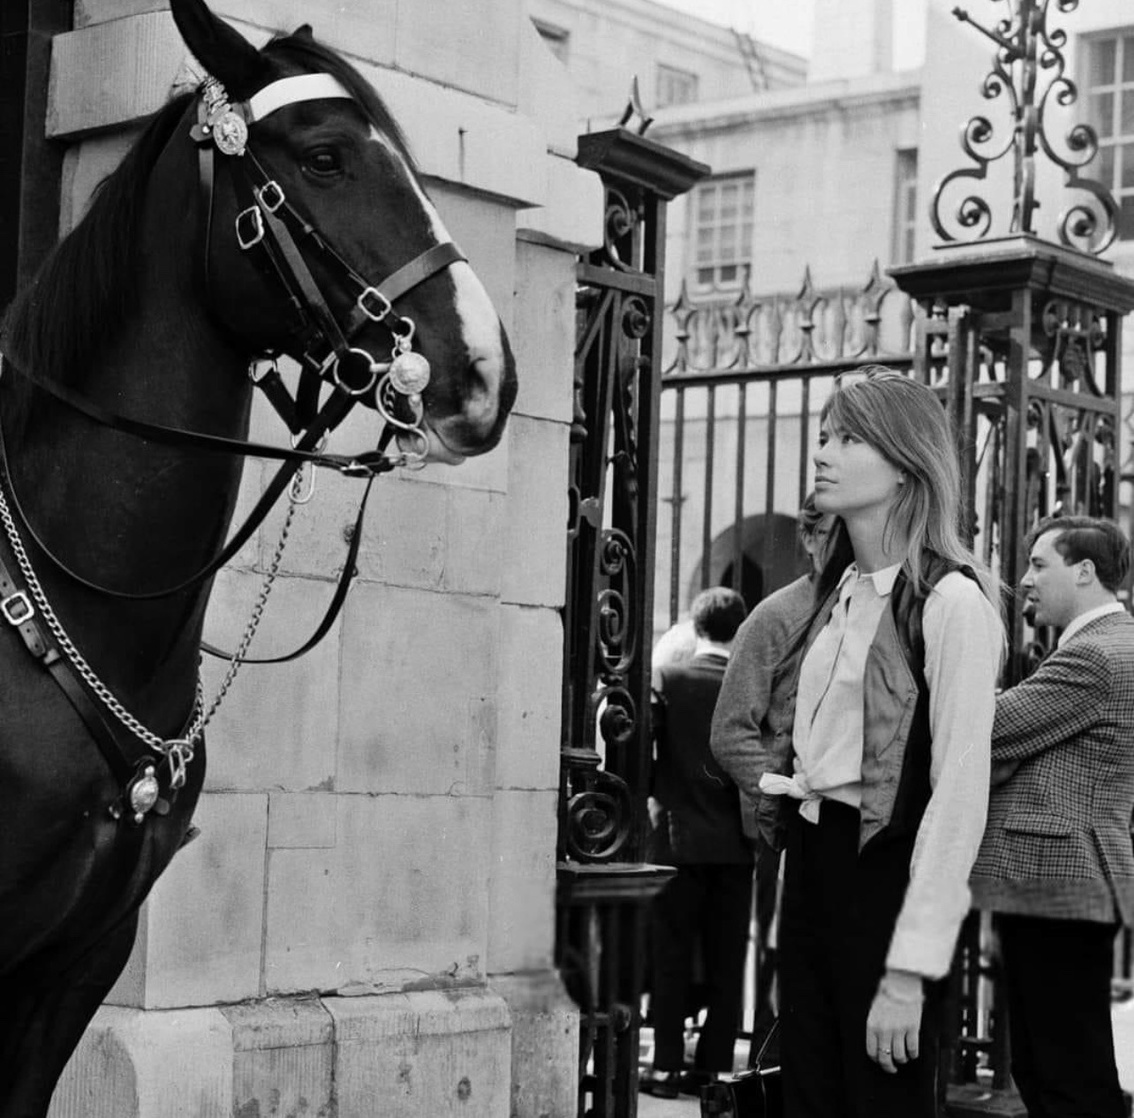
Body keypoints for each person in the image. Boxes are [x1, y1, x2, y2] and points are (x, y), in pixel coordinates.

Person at [750, 367, 1004, 1117]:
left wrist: (909, 972)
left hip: (887, 877)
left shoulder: (953, 603)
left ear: (904, 463)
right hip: (814, 865)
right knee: (808, 1095)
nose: (823, 452)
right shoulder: (836, 597)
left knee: (879, 1101)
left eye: (849, 438)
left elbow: (959, 795)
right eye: (825, 435)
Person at [971, 515, 1134, 1118]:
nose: (1025, 580)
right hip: (1066, 880)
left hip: (1058, 880)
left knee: (1064, 1072)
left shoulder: (1094, 655)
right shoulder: (1109, 646)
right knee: (1052, 1065)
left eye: (1040, 564)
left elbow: (982, 731)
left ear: (1086, 571)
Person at [711, 493, 834, 1028]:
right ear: (808, 540)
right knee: (779, 964)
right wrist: (775, 794)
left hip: (853, 825)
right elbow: (730, 729)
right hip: (784, 828)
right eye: (834, 534)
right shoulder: (774, 617)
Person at [642, 586, 752, 1099]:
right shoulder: (748, 684)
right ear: (741, 627)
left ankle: (664, 1066)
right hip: (735, 845)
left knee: (672, 954)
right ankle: (712, 1071)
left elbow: (641, 750)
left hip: (676, 840)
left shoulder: (670, 676)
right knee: (729, 960)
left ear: (695, 625)